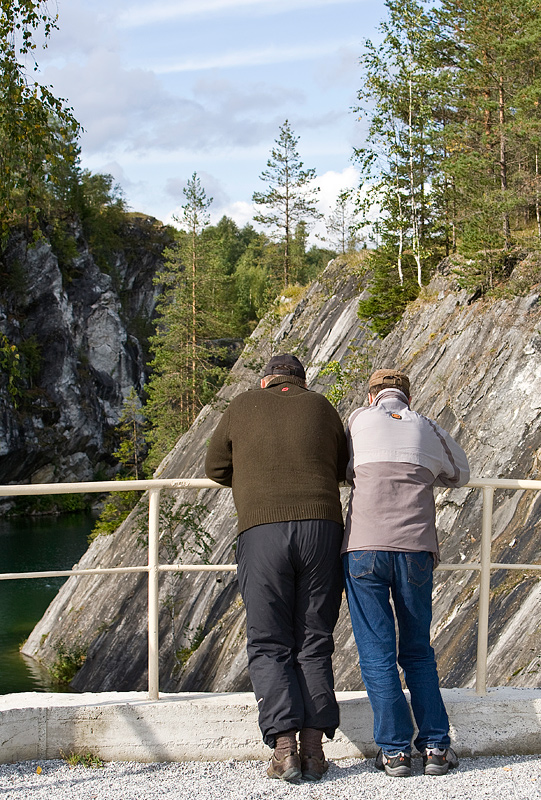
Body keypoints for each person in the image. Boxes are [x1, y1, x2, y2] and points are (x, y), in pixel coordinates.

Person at [205, 354, 348, 782]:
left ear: (266, 380)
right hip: (323, 530)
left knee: (269, 641)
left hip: (262, 532)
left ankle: (284, 751)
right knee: (314, 640)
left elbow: (215, 468)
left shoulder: (242, 405)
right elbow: (341, 468)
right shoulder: (322, 406)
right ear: (301, 382)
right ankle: (314, 752)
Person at [342, 368, 470, 778]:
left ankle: (395, 752)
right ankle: (435, 746)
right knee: (417, 650)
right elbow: (460, 472)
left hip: (364, 549)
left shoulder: (358, 421)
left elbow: (345, 470)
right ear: (408, 398)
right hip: (414, 549)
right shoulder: (425, 425)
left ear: (370, 397)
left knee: (376, 652)